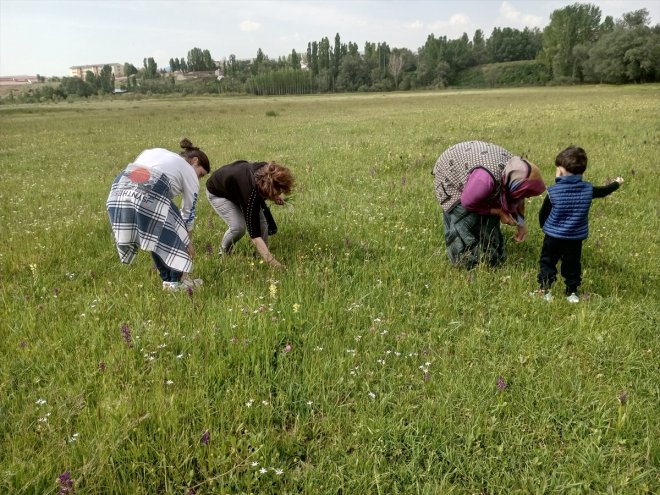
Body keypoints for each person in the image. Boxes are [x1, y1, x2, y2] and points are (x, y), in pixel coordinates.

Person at [106, 138, 211, 291]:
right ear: (195, 161)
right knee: (176, 227)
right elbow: (188, 213)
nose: (198, 179)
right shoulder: (189, 172)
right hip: (150, 189)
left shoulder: (155, 152)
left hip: (119, 188)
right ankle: (178, 280)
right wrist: (187, 243)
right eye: (201, 174)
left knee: (153, 233)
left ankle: (168, 280)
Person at [432, 140, 546, 269]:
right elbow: (468, 203)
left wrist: (521, 224)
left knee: (488, 220)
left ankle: (491, 259)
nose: (528, 197)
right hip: (451, 171)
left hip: (477, 172)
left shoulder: (515, 173)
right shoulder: (485, 180)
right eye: (527, 193)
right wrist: (499, 212)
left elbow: (518, 197)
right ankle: (465, 263)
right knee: (465, 219)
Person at [533, 146, 623, 303]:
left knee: (547, 262)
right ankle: (572, 293)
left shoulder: (553, 192)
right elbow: (604, 191)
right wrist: (616, 183)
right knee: (572, 264)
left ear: (560, 172)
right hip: (575, 238)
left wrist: (544, 227)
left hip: (553, 237)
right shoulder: (588, 189)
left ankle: (545, 291)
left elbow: (543, 214)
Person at [205, 160, 294, 268]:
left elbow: (267, 188)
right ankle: (223, 252)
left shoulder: (266, 170)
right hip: (218, 193)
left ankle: (259, 256)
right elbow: (254, 235)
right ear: (267, 189)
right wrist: (273, 262)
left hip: (235, 187)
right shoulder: (251, 195)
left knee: (263, 224)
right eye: (278, 192)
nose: (280, 194)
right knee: (238, 227)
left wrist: (275, 196)